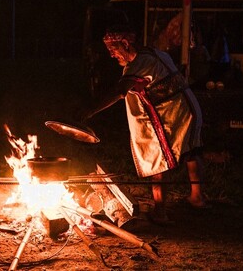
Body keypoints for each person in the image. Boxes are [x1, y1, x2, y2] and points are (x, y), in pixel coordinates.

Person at [81, 25, 209, 225]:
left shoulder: (141, 63)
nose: (112, 55)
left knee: (158, 160)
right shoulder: (153, 53)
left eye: (113, 50)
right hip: (188, 109)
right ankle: (197, 197)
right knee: (192, 152)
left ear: (125, 44)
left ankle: (160, 212)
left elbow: (120, 91)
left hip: (175, 115)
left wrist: (89, 112)